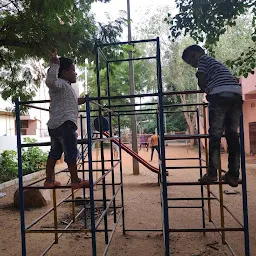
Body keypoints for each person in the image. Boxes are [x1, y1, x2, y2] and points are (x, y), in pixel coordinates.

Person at [182, 45, 242, 187]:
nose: (192, 65)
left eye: (191, 62)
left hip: (219, 96)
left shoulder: (203, 60)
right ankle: (233, 174)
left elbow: (202, 81)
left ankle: (212, 173)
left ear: (196, 54)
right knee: (232, 135)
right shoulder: (217, 64)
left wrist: (204, 87)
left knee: (215, 136)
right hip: (236, 96)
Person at [44, 48, 90, 189]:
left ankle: (49, 181)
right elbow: (50, 81)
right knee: (71, 153)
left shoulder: (66, 87)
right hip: (65, 125)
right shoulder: (59, 84)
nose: (75, 73)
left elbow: (71, 101)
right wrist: (55, 64)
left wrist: (83, 100)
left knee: (54, 153)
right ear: (64, 73)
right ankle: (75, 181)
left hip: (55, 126)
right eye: (73, 70)